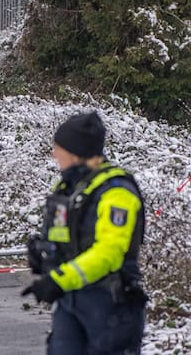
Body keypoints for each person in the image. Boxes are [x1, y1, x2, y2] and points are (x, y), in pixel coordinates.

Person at [22, 112, 146, 354]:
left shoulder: (117, 192)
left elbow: (108, 253)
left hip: (110, 305)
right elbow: (68, 239)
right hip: (71, 302)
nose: (54, 154)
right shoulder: (71, 188)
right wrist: (45, 254)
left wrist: (59, 279)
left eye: (59, 148)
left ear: (76, 153)